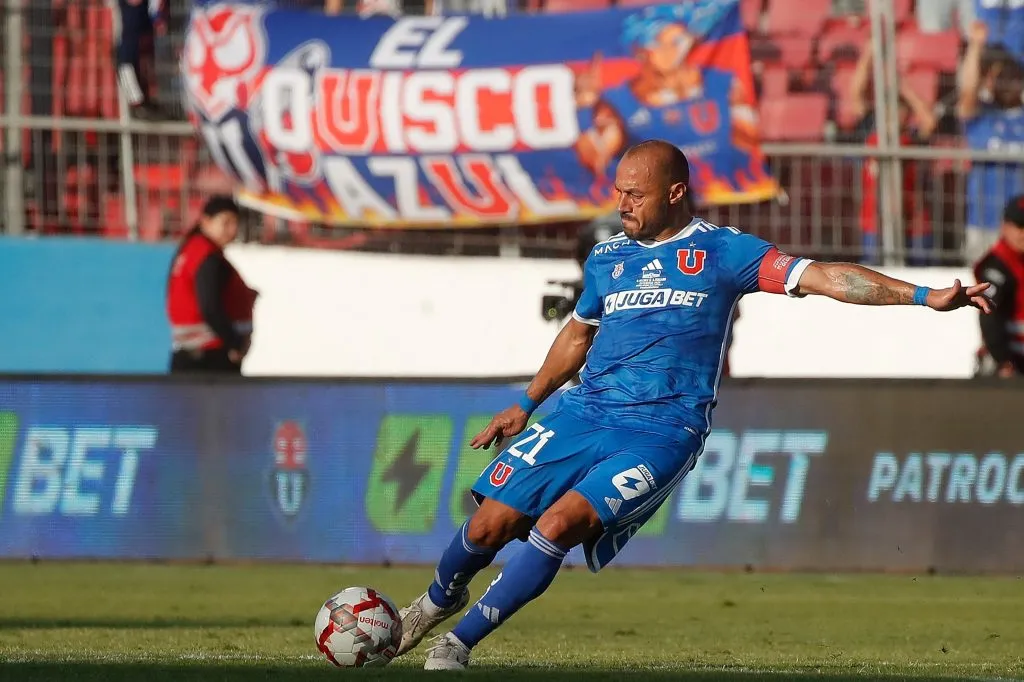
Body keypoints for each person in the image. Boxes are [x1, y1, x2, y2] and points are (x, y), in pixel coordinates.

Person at [392, 139, 993, 671]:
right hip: (583, 412)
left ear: (675, 192)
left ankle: (458, 646)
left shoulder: (723, 252)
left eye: (635, 194)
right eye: (618, 193)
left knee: (558, 526)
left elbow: (826, 278)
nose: (622, 204)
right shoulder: (606, 260)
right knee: (488, 525)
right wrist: (526, 402)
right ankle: (435, 603)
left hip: (661, 430)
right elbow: (577, 335)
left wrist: (922, 295)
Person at [166, 195, 257, 374]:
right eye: (226, 222)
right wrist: (234, 343)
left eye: (235, 223)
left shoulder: (191, 251)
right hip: (209, 359)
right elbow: (209, 306)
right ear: (206, 222)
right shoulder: (207, 258)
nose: (232, 230)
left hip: (195, 356)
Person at [958, 21, 1024, 264]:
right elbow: (967, 93)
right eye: (998, 77)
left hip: (1021, 229)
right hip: (984, 225)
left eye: (1011, 76)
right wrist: (975, 46)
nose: (1005, 83)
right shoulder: (981, 117)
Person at [973, 194, 1024, 377]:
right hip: (1008, 368)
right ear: (1005, 226)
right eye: (1019, 226)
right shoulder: (996, 266)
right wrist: (1003, 362)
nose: (1023, 233)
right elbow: (989, 316)